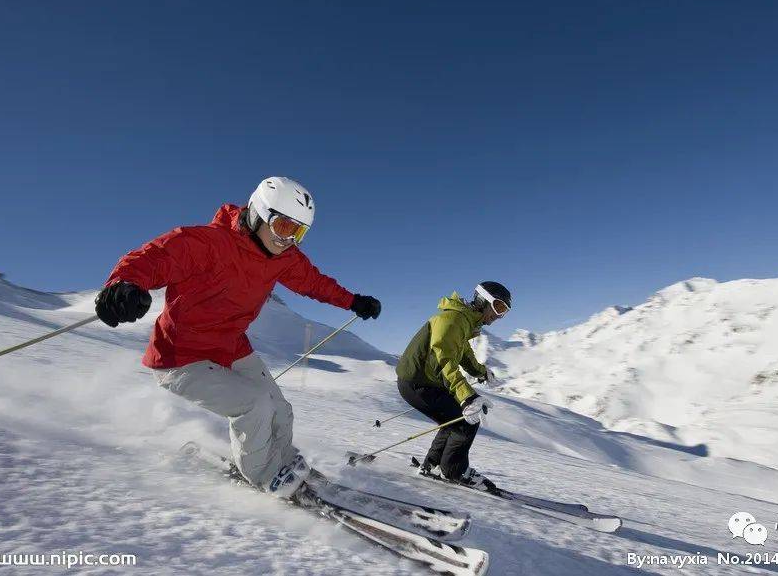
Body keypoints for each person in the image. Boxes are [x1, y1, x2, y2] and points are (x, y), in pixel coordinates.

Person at [94, 176, 381, 497]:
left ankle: (283, 459)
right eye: (285, 227)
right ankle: (264, 474)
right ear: (260, 212)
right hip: (181, 356)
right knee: (254, 405)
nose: (289, 240)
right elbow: (152, 258)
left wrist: (353, 301)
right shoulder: (206, 243)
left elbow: (314, 282)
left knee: (280, 408)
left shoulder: (283, 258)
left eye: (299, 233)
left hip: (230, 347)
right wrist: (122, 285)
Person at [395, 281, 510, 490]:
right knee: (465, 420)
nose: (499, 315)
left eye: (504, 311)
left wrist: (481, 372)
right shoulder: (452, 320)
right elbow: (445, 360)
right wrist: (467, 397)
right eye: (498, 307)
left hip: (423, 381)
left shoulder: (463, 320)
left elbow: (464, 353)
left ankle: (432, 465)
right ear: (482, 300)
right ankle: (454, 471)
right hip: (417, 383)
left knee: (453, 419)